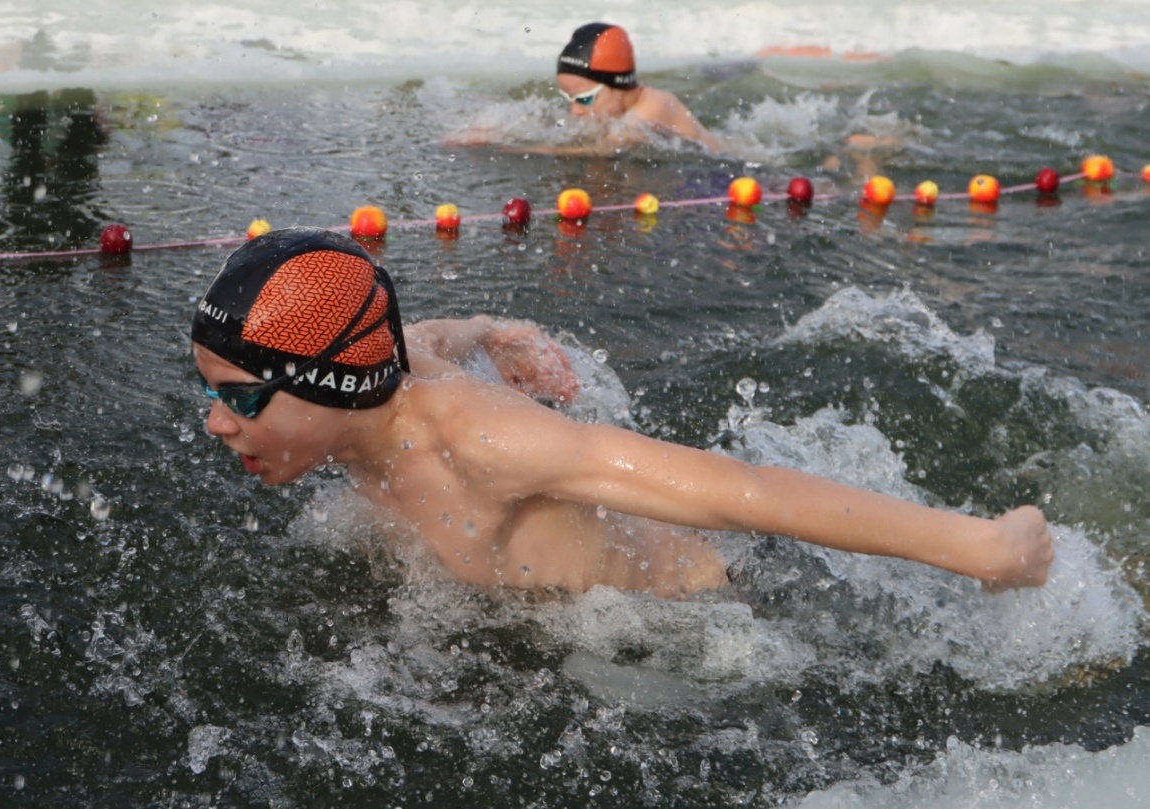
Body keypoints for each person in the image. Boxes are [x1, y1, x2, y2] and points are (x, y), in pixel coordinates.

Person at [190, 226, 1054, 599]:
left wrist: (978, 547)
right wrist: (499, 329)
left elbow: (739, 491)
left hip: (708, 610)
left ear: (325, 386)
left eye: (238, 396)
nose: (215, 422)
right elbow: (425, 333)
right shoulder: (373, 374)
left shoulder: (484, 443)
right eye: (209, 391)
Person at [444, 22, 720, 155]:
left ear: (620, 88)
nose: (574, 110)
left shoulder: (650, 111)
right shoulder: (618, 106)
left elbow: (600, 151)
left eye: (585, 99)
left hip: (734, 159)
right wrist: (497, 130)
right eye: (569, 98)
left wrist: (510, 148)